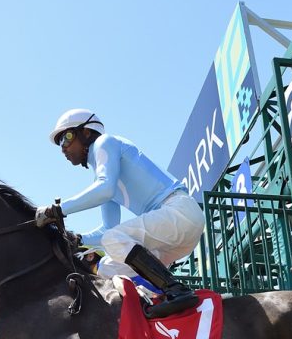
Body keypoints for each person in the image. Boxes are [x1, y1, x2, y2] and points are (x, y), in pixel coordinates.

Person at [35, 109, 206, 319]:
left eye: (66, 138)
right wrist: (79, 239)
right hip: (176, 236)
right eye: (61, 143)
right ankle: (158, 301)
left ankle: (177, 291)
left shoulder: (104, 143)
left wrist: (59, 210)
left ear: (86, 132)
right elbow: (108, 227)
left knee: (112, 240)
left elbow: (105, 191)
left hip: (179, 212)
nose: (64, 148)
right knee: (107, 266)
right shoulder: (103, 175)